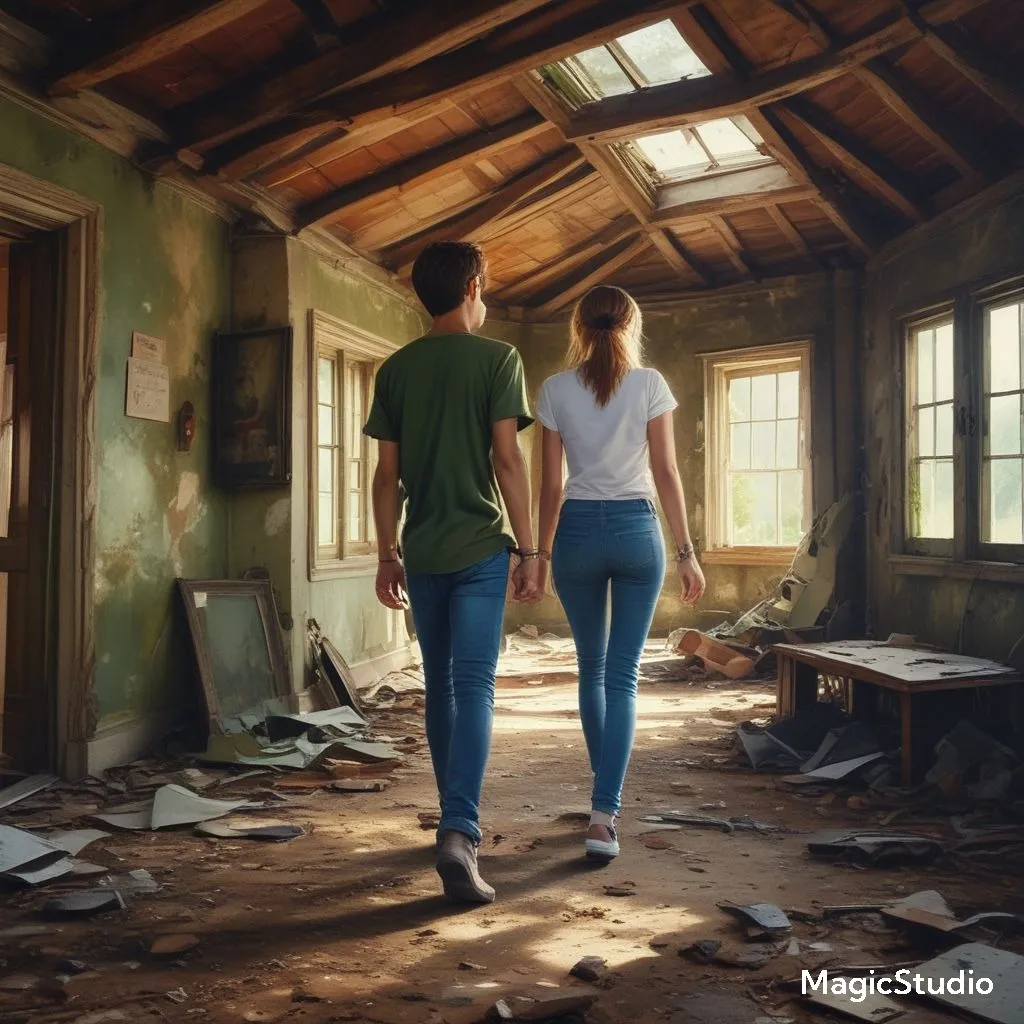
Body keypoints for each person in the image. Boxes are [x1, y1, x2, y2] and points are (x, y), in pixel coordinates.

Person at [364, 241, 540, 904]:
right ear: (471, 287)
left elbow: (386, 477)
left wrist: (387, 555)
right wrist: (529, 551)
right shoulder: (500, 358)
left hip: (423, 553)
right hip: (479, 551)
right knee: (477, 687)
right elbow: (508, 462)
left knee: (440, 688)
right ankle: (461, 829)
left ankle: (451, 821)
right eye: (485, 286)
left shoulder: (397, 368)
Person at [535, 285, 705, 862]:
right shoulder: (649, 383)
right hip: (637, 532)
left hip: (576, 534)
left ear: (579, 328)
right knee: (623, 676)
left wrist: (538, 552)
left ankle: (602, 796)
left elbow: (550, 486)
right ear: (631, 325)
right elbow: (665, 471)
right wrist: (687, 551)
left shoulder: (556, 389)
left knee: (592, 669)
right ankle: (604, 815)